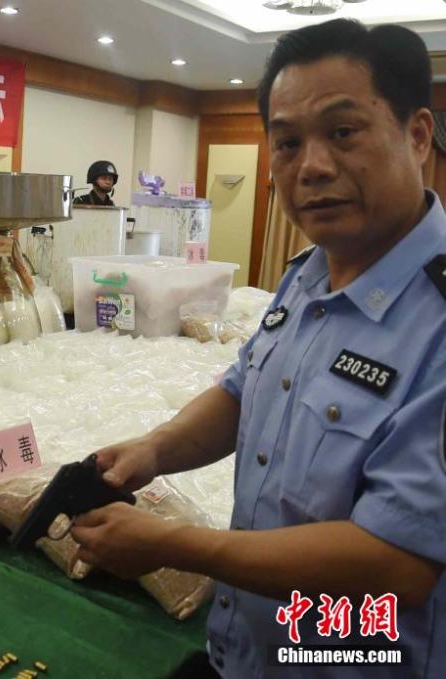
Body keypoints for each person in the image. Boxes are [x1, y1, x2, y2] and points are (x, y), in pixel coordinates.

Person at [70, 19, 445, 678]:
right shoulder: (307, 275)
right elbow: (243, 392)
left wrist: (177, 545)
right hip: (244, 654)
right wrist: (156, 448)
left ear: (417, 137)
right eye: (288, 142)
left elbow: (396, 562)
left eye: (343, 132)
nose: (313, 166)